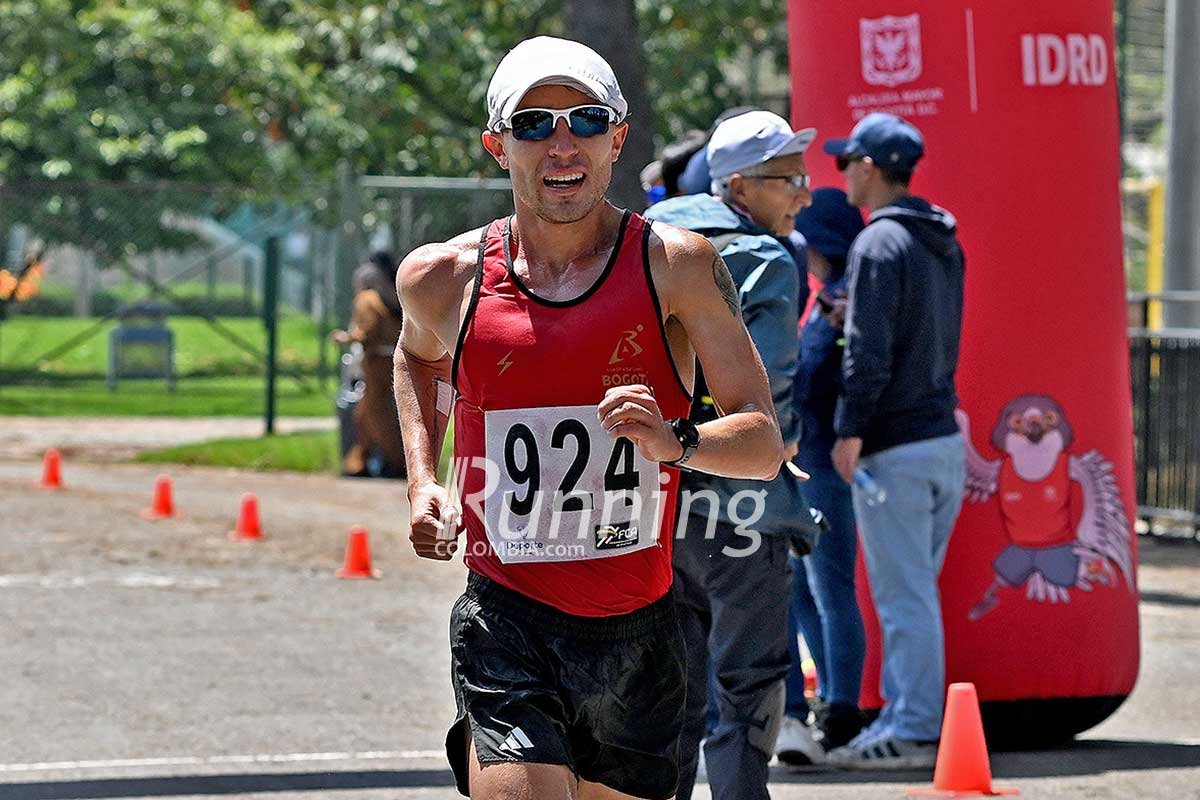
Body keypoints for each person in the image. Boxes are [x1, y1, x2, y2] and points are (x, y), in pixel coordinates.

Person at [392, 36, 786, 800]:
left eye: (584, 119)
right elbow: (417, 360)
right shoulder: (443, 278)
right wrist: (422, 478)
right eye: (533, 124)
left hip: (638, 634)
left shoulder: (677, 266)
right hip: (506, 623)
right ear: (497, 146)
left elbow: (763, 442)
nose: (560, 143)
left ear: (617, 138)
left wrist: (678, 441)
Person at [645, 109, 823, 797]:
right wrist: (781, 435)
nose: (804, 194)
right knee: (747, 685)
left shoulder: (653, 240)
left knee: (673, 686)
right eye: (791, 179)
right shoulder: (767, 257)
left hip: (657, 502)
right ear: (742, 187)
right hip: (744, 507)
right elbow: (769, 377)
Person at [822, 113, 967, 769]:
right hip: (941, 440)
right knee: (917, 596)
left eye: (846, 161)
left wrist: (849, 430)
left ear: (869, 168)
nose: (841, 173)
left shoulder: (878, 243)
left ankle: (911, 730)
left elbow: (869, 355)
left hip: (895, 449)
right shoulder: (940, 237)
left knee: (904, 600)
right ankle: (910, 721)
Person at [779, 188, 868, 760]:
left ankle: (843, 709)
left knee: (830, 585)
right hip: (807, 458)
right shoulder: (825, 297)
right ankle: (829, 702)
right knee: (808, 591)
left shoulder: (845, 300)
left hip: (826, 462)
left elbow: (833, 377)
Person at [332, 250, 406, 478]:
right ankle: (358, 460)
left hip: (376, 361)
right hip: (392, 359)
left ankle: (396, 461)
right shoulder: (394, 297)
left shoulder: (367, 299)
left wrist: (346, 337)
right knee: (363, 413)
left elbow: (367, 330)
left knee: (375, 413)